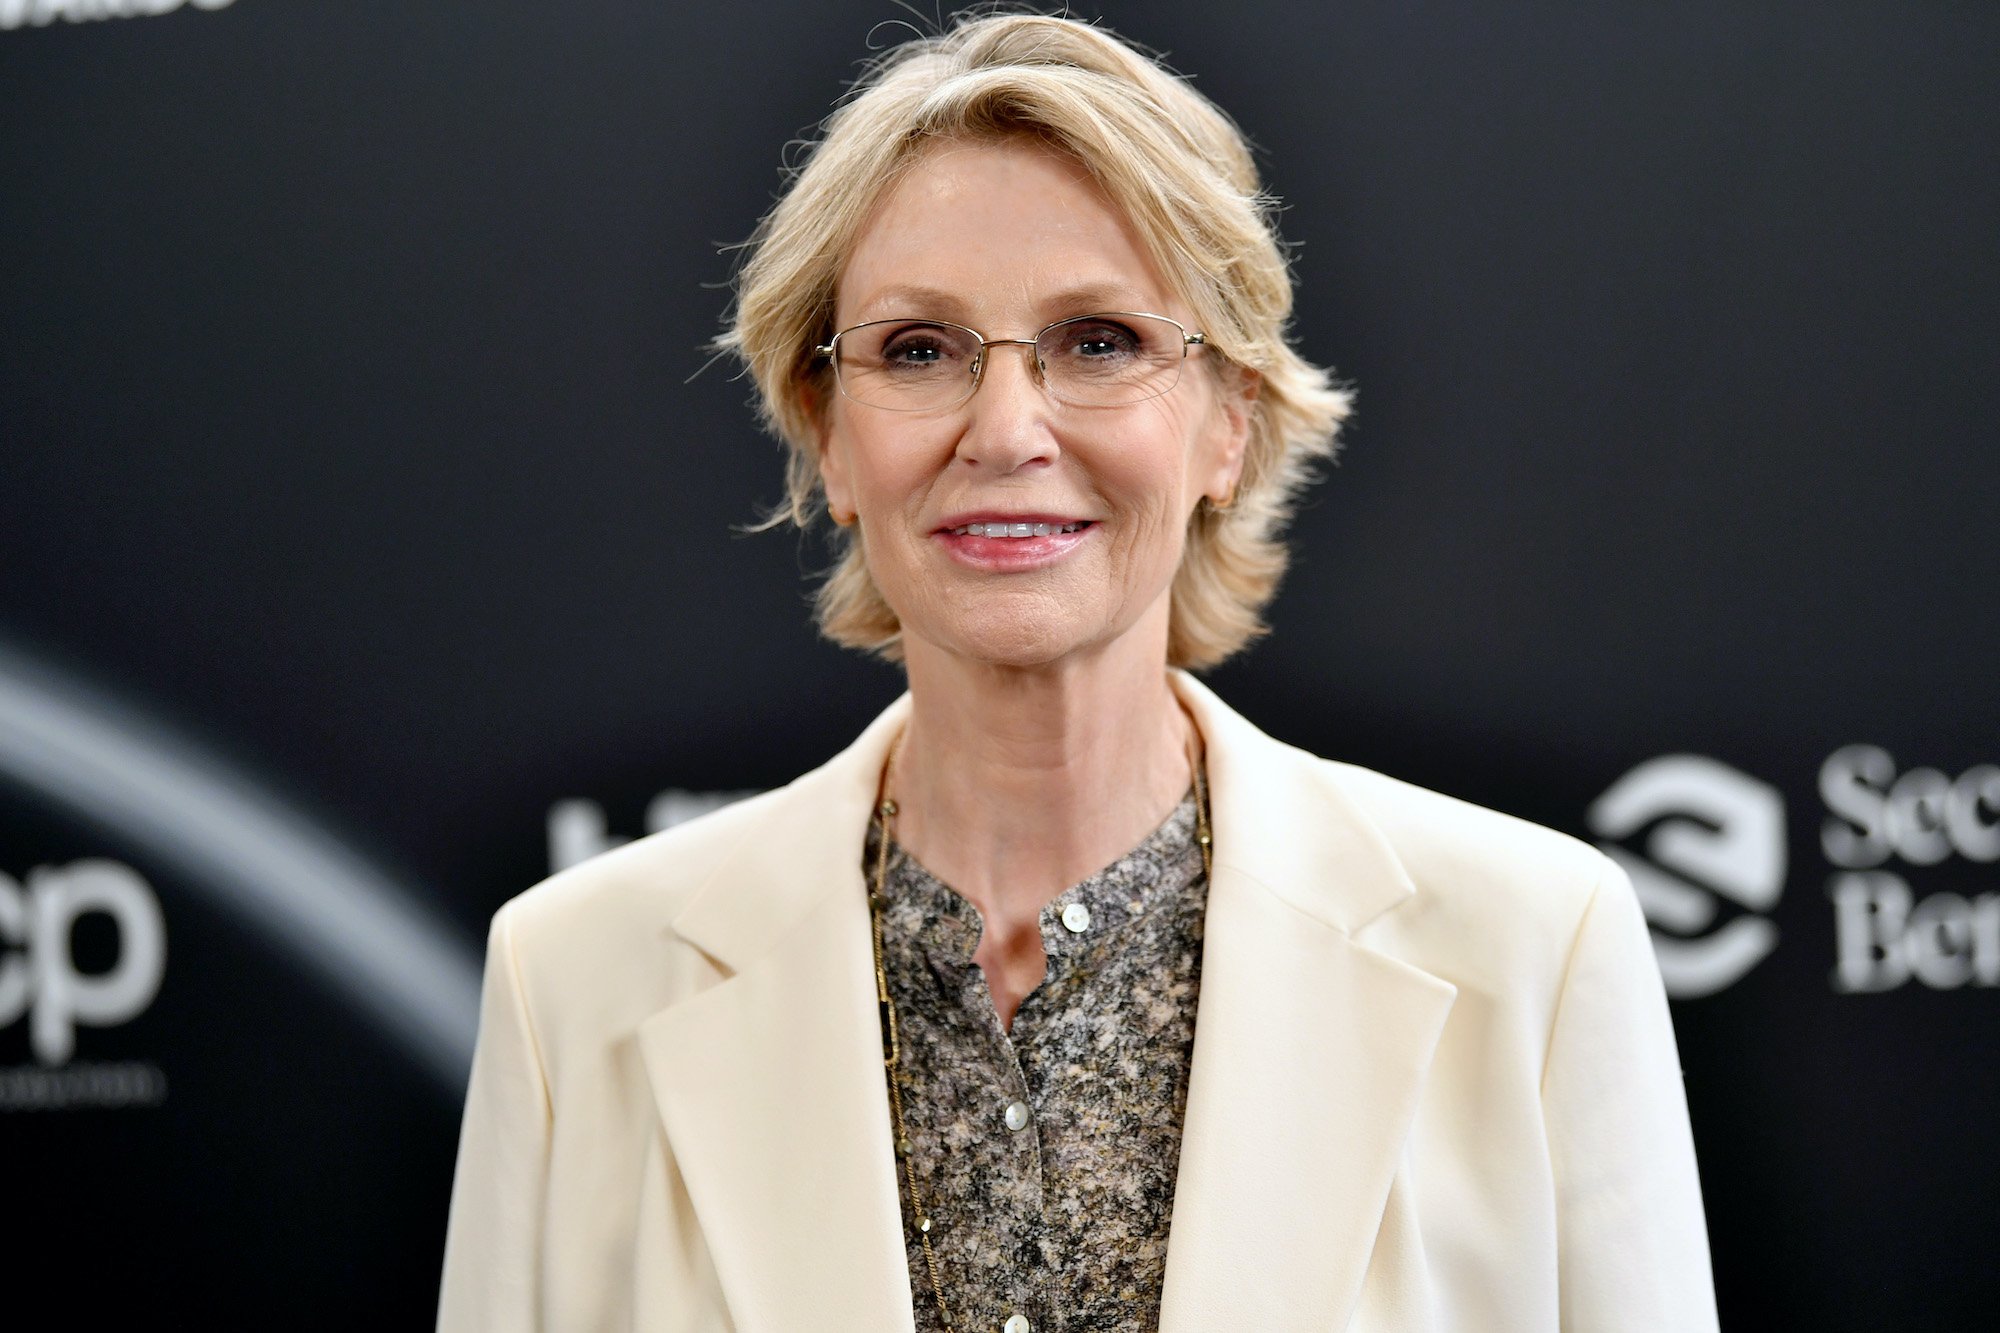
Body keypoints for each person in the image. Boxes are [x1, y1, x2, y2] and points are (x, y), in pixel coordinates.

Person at [436, 12, 1718, 1332]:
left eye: (1098, 340)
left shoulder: (1533, 951)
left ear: (1230, 419)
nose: (1005, 429)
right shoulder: (573, 984)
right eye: (918, 350)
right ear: (825, 432)